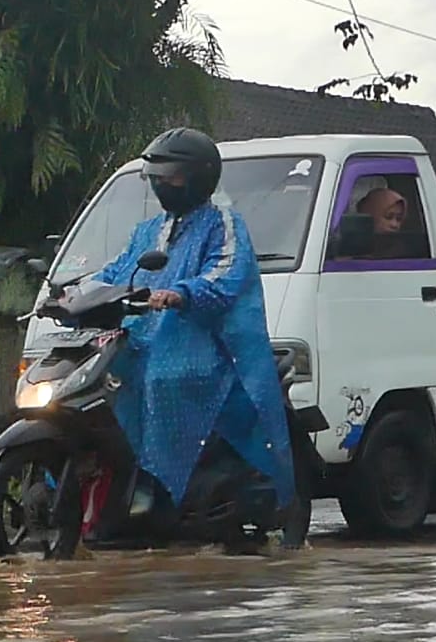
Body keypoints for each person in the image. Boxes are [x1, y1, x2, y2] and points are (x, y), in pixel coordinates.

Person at [91, 127, 294, 528]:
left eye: (173, 176)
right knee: (107, 377)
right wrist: (76, 293)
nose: (164, 184)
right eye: (158, 177)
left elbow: (225, 274)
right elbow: (118, 271)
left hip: (209, 343)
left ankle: (156, 483)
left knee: (161, 378)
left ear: (200, 176)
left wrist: (182, 293)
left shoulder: (224, 223)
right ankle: (114, 477)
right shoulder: (149, 231)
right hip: (150, 338)